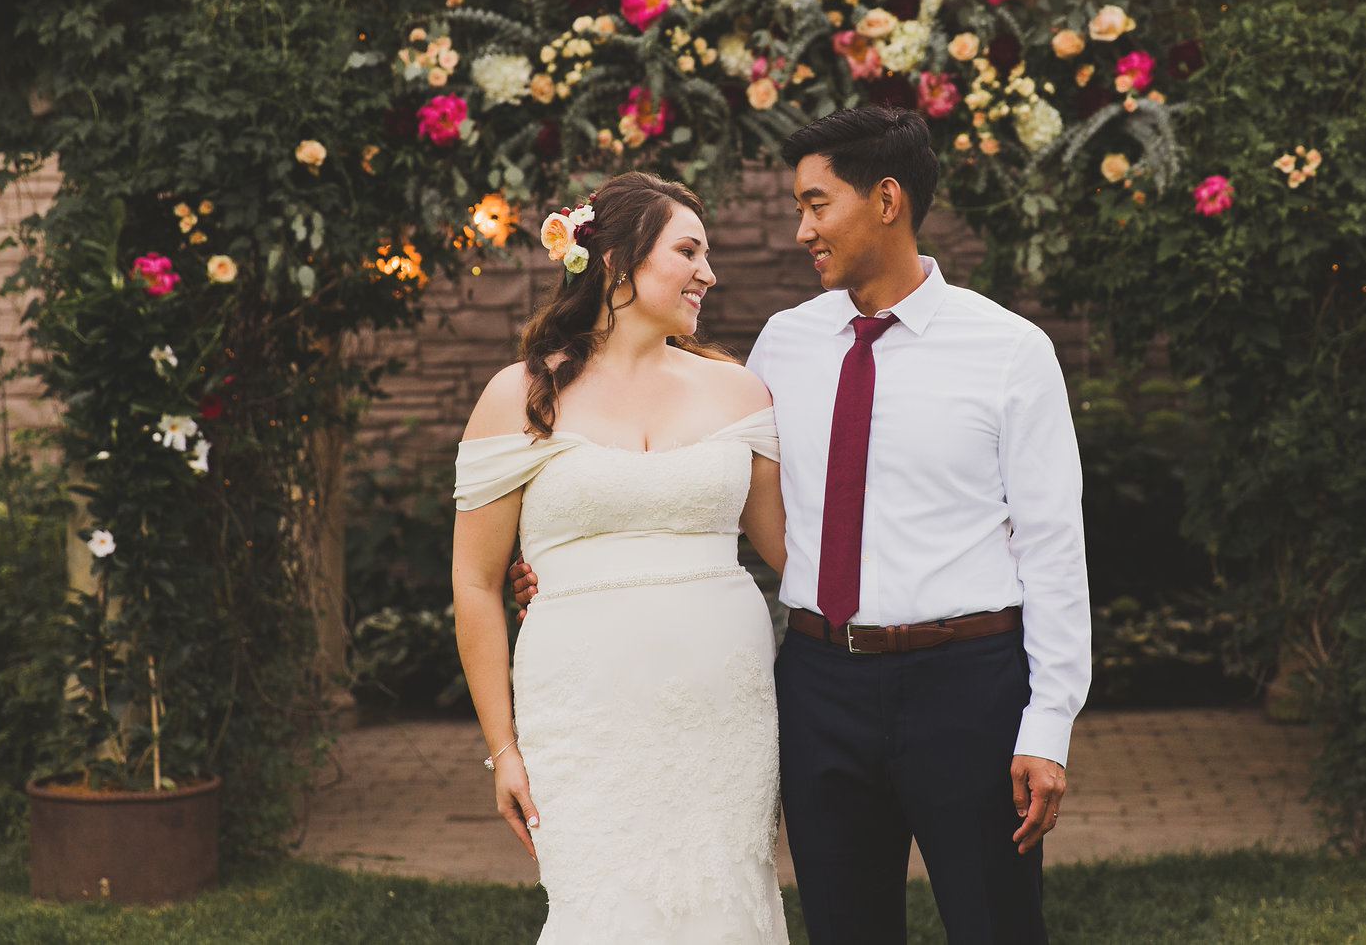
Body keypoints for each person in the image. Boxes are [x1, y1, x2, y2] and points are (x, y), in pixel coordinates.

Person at [516, 106, 1092, 945]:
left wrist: (1048, 726)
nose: (800, 229)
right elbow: (702, 476)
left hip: (968, 685)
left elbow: (1053, 549)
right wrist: (570, 569)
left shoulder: (1010, 350)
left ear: (886, 199)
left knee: (996, 928)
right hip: (821, 684)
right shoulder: (783, 347)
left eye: (817, 204)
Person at [451, 170, 790, 944]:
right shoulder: (520, 395)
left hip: (724, 714)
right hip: (583, 714)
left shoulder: (741, 393)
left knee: (725, 904)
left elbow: (794, 556)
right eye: (689, 250)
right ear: (615, 262)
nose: (710, 272)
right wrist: (503, 749)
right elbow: (473, 581)